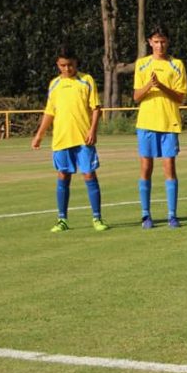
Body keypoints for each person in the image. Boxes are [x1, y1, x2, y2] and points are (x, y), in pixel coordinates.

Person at [31, 45, 109, 232]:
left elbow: (96, 108)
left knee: (89, 174)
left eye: (70, 65)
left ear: (76, 63)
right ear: (58, 65)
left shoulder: (86, 80)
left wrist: (93, 130)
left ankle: (97, 218)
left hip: (83, 138)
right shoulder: (54, 84)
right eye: (63, 65)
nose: (67, 69)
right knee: (63, 175)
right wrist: (39, 135)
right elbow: (50, 112)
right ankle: (62, 219)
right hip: (61, 138)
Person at [132, 25, 187, 229]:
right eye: (156, 41)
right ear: (150, 42)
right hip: (146, 123)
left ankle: (172, 215)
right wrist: (149, 85)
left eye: (163, 41)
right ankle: (145, 215)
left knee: (169, 167)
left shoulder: (177, 65)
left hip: (169, 123)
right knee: (146, 168)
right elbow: (136, 96)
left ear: (168, 42)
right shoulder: (142, 64)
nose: (160, 45)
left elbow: (180, 97)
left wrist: (161, 86)